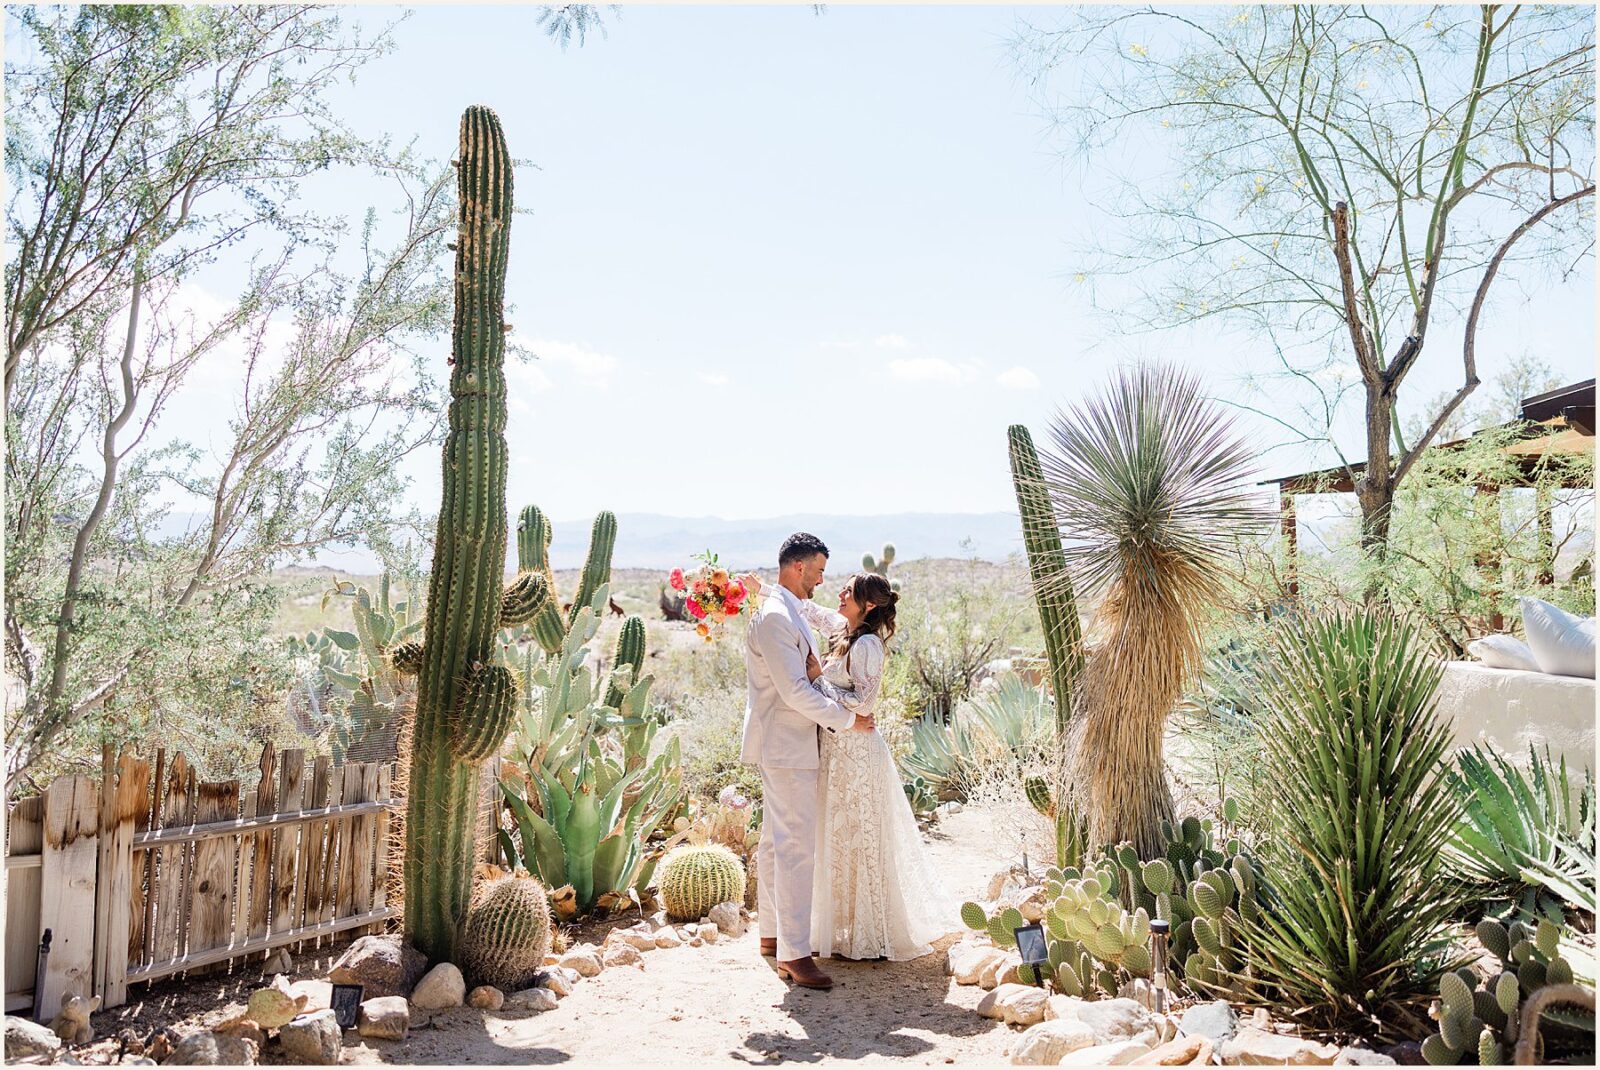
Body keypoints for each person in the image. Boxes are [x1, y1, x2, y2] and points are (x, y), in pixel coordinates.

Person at [739, 567, 950, 963]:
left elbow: (864, 705)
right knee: (836, 839)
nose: (839, 593)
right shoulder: (843, 627)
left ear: (868, 605)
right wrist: (762, 588)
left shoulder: (868, 644)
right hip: (835, 750)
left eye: (848, 592)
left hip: (857, 754)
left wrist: (818, 681)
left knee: (860, 836)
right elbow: (806, 610)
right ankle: (838, 929)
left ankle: (870, 933)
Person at [740, 532, 873, 990]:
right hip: (787, 744)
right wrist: (846, 720)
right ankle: (796, 956)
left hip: (785, 744)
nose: (820, 581)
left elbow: (833, 620)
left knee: (777, 844)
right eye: (816, 572)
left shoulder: (785, 606)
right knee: (795, 847)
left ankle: (773, 936)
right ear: (798, 568)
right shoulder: (776, 617)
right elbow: (795, 691)